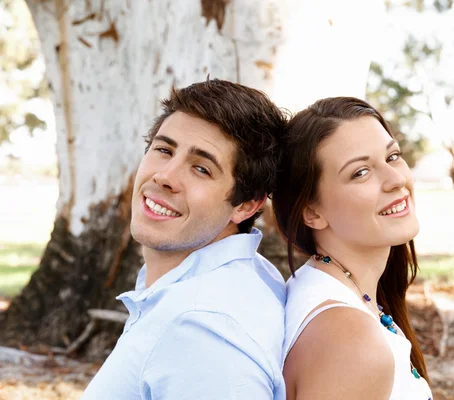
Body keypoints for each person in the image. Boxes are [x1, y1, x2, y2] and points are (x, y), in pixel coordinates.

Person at [82, 79, 287, 400]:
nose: (164, 177)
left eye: (201, 168)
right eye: (164, 150)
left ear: (246, 205)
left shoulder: (201, 330)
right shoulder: (223, 281)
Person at [272, 97, 433, 400]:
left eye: (393, 156)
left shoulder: (330, 289)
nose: (396, 179)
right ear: (312, 212)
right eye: (360, 172)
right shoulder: (350, 341)